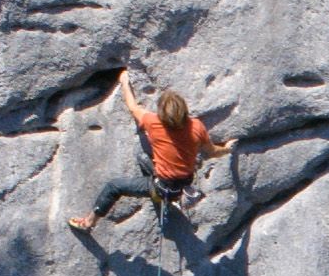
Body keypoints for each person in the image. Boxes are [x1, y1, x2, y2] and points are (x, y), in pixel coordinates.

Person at [71, 85, 232, 231]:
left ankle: (89, 222)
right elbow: (212, 151)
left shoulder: (153, 122)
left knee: (114, 186)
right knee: (142, 157)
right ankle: (171, 196)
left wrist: (124, 80)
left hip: (161, 186)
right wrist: (227, 149)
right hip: (184, 182)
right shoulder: (196, 127)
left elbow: (132, 107)